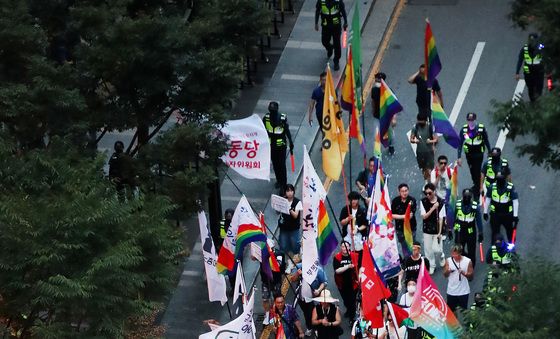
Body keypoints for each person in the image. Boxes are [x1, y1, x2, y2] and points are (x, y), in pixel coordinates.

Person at [290, 256, 328, 336]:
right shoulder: (299, 267)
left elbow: (324, 282)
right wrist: (297, 273)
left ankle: (317, 328)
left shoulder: (318, 269)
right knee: (306, 313)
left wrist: (318, 290)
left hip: (314, 297)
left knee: (316, 313)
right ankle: (309, 327)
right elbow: (292, 279)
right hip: (302, 297)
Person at [457, 112, 491, 197]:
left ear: (475, 120)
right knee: (472, 171)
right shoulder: (464, 130)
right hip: (469, 154)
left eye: (472, 120)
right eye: (469, 120)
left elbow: (486, 140)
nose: (470, 122)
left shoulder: (480, 129)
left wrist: (489, 151)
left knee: (477, 170)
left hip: (478, 153)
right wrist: (459, 157)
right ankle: (476, 184)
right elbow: (460, 143)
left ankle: (477, 187)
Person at [263, 101, 294, 191]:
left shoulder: (282, 118)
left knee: (282, 165)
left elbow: (287, 130)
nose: (272, 113)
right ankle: (279, 180)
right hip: (271, 146)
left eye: (273, 111)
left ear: (277, 110)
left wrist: (291, 142)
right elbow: (262, 130)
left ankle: (284, 185)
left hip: (281, 146)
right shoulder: (266, 118)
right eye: (271, 111)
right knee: (275, 165)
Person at [483, 172, 519, 243]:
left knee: (510, 232)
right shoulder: (492, 187)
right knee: (495, 232)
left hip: (507, 214)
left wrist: (515, 216)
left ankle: (511, 249)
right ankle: (494, 248)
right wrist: (485, 212)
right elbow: (488, 199)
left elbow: (515, 201)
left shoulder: (510, 188)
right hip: (495, 214)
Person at [420, 183, 446, 275]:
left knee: (437, 249)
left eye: (430, 193)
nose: (428, 195)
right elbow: (424, 217)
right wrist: (433, 208)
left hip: (436, 230)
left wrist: (439, 232)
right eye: (426, 193)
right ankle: (432, 265)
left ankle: (441, 256)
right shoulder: (423, 202)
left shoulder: (441, 202)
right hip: (427, 229)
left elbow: (441, 218)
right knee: (428, 250)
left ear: (434, 191)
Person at [315, 0, 348, 71]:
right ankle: (329, 48)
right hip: (326, 26)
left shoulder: (338, 1)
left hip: (336, 26)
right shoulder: (321, 1)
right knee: (324, 41)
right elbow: (317, 10)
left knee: (337, 44)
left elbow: (343, 10)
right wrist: (316, 23)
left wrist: (345, 21)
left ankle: (336, 61)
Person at [453, 189, 483, 267]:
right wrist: (450, 229)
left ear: (471, 197)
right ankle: (463, 261)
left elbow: (479, 220)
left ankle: (471, 267)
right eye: (465, 197)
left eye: (468, 197)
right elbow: (454, 217)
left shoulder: (475, 206)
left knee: (472, 251)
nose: (467, 198)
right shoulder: (458, 204)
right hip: (460, 230)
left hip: (470, 230)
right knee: (459, 249)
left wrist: (480, 232)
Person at [259, 240, 286, 325]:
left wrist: (268, 257)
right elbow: (253, 258)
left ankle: (278, 313)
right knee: (265, 298)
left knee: (277, 298)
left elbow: (277, 266)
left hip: (276, 281)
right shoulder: (262, 254)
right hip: (265, 281)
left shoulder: (279, 254)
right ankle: (267, 314)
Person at [278, 184, 303, 270]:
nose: (289, 193)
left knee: (295, 245)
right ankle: (286, 262)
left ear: (294, 192)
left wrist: (289, 208)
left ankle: (295, 260)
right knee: (283, 245)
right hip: (284, 228)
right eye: (287, 191)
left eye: (291, 191)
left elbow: (296, 215)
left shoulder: (297, 202)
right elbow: (278, 212)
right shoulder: (282, 200)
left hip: (294, 228)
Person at [339, 191, 368, 264]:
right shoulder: (345, 209)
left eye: (355, 199)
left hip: (359, 236)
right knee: (348, 254)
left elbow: (365, 224)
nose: (353, 201)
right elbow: (341, 222)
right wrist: (347, 219)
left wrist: (357, 230)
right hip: (348, 236)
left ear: (358, 200)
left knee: (360, 255)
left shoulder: (362, 210)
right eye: (351, 199)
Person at [333, 241, 359, 322]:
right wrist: (348, 266)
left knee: (352, 301)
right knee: (346, 300)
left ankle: (352, 317)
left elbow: (360, 267)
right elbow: (337, 271)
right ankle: (349, 310)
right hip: (342, 283)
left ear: (349, 247)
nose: (345, 248)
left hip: (353, 283)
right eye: (343, 246)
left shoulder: (355, 255)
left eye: (346, 246)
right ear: (341, 248)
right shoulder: (337, 257)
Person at [515, 33, 545, 102]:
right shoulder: (524, 48)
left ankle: (539, 102)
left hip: (539, 71)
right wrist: (517, 73)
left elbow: (548, 56)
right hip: (528, 72)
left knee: (539, 88)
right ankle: (533, 103)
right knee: (530, 89)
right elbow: (520, 60)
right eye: (530, 40)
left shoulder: (541, 47)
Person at [443, 244, 473, 312]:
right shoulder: (448, 261)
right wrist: (448, 271)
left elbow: (471, 276)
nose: (453, 256)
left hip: (463, 291)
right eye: (452, 254)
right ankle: (454, 322)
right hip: (451, 291)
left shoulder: (468, 261)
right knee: (451, 311)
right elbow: (445, 275)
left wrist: (464, 273)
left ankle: (464, 322)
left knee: (464, 311)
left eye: (455, 254)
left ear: (460, 253)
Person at [371, 72, 395, 154]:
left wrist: (393, 118)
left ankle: (391, 146)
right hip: (377, 116)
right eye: (376, 80)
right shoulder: (374, 90)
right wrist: (373, 110)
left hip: (386, 116)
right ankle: (377, 150)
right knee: (376, 134)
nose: (376, 82)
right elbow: (373, 101)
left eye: (378, 81)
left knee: (390, 134)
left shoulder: (388, 91)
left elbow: (393, 105)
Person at [410, 114, 438, 182]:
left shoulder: (430, 127)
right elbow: (411, 139)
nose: (420, 123)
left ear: (426, 120)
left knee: (430, 168)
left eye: (422, 122)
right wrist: (414, 140)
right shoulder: (415, 127)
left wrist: (430, 141)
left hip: (429, 152)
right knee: (423, 168)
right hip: (420, 152)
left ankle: (430, 181)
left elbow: (436, 139)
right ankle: (426, 181)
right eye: (419, 121)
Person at [391, 183, 418, 255]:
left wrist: (400, 216)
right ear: (399, 192)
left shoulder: (412, 200)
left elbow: (411, 216)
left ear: (408, 191)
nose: (404, 193)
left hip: (411, 228)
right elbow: (392, 215)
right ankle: (407, 261)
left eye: (406, 191)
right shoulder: (395, 201)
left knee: (412, 245)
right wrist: (404, 216)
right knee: (404, 246)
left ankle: (413, 258)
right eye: (402, 191)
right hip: (400, 229)